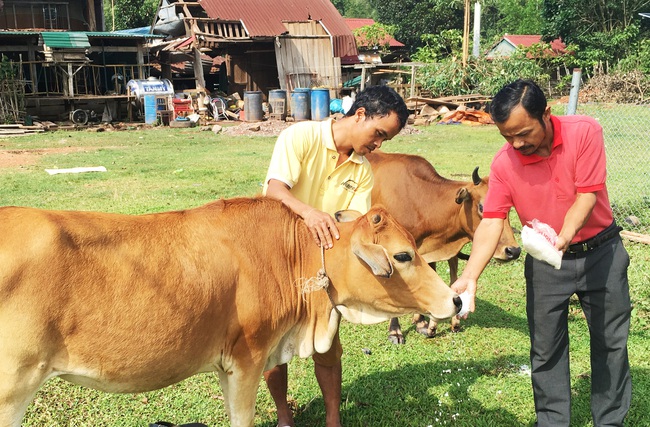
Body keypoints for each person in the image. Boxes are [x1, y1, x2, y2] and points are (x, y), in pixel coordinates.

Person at [452, 79, 631, 426]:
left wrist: (562, 237)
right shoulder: (505, 163)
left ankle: (609, 421)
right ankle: (552, 421)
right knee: (546, 349)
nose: (517, 144)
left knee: (611, 344)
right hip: (547, 263)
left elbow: (587, 195)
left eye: (524, 133)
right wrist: (470, 276)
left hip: (601, 253)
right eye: (507, 137)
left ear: (546, 114)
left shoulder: (585, 132)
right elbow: (492, 221)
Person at [262, 85, 409, 427]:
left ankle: (333, 419)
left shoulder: (362, 170)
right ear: (360, 115)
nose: (378, 144)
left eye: (385, 139)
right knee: (273, 346)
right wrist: (310, 214)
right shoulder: (300, 136)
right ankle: (284, 416)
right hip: (276, 256)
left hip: (323, 263)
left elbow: (352, 224)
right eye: (379, 134)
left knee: (327, 344)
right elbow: (274, 189)